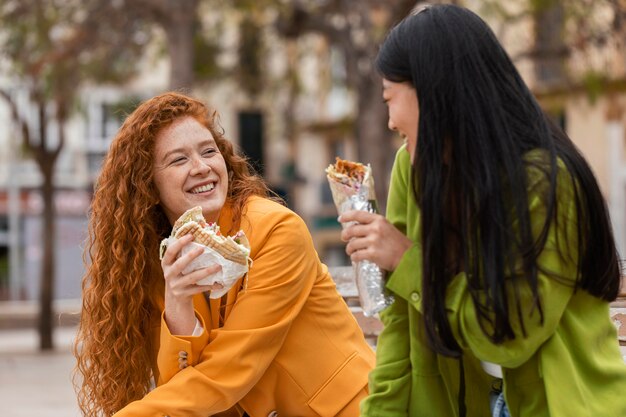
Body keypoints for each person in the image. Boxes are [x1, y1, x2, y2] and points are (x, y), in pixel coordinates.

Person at [340, 4, 626, 417]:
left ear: (434, 93)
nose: (390, 121)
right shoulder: (412, 166)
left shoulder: (546, 182)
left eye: (391, 99)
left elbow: (509, 338)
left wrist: (406, 260)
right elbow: (402, 324)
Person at [73, 92, 375, 417]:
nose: (202, 167)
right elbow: (183, 390)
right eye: (179, 160)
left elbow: (229, 371)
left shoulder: (277, 230)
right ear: (148, 184)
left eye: (208, 151)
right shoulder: (156, 263)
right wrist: (178, 306)